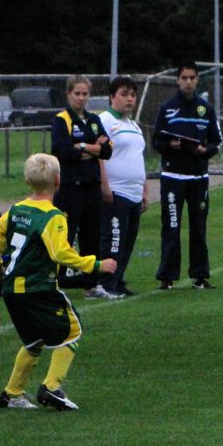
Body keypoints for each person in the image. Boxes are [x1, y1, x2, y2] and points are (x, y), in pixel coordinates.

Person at [0, 154, 117, 410]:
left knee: (34, 342)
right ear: (58, 180)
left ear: (26, 180)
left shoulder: (16, 209)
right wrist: (96, 264)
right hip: (38, 287)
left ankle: (12, 393)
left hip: (12, 289)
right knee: (72, 331)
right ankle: (51, 387)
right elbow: (60, 253)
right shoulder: (54, 217)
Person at [152, 61, 222, 290]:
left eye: (192, 78)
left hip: (198, 178)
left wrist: (205, 150)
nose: (189, 82)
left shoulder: (205, 108)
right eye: (185, 78)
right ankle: (167, 276)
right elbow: (156, 141)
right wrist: (171, 145)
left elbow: (216, 142)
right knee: (171, 226)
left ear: (197, 79)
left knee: (198, 228)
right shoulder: (168, 107)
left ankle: (199, 276)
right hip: (173, 177)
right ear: (178, 80)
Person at [50, 75, 112, 291]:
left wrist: (82, 147)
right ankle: (56, 281)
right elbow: (62, 151)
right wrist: (91, 148)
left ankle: (92, 285)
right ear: (69, 94)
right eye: (77, 93)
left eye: (85, 94)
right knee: (64, 235)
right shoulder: (61, 119)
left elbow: (107, 150)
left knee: (91, 236)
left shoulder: (94, 120)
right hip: (70, 187)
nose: (81, 98)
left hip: (92, 186)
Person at [93, 75, 149, 299]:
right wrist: (105, 185)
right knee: (114, 239)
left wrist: (145, 189)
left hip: (135, 193)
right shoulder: (105, 121)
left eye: (133, 95)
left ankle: (119, 279)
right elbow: (99, 156)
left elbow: (138, 157)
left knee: (127, 240)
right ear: (111, 97)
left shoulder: (134, 125)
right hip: (117, 191)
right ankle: (106, 284)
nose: (130, 99)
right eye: (124, 94)